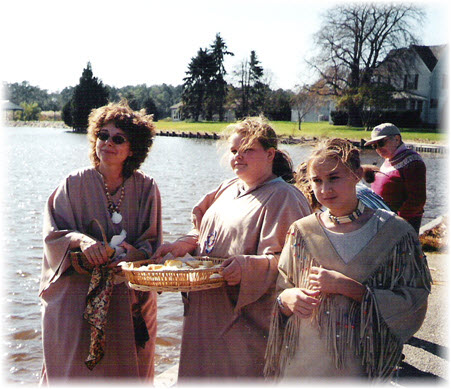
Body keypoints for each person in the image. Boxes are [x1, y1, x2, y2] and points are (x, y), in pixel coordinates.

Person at [153, 116, 312, 380]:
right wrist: (184, 244)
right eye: (234, 150)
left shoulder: (285, 197)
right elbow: (206, 231)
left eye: (248, 149)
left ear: (270, 153)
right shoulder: (228, 188)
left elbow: (294, 264)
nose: (238, 156)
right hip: (204, 313)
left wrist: (247, 267)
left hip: (244, 322)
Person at [265, 138, 431, 382]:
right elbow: (280, 291)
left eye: (334, 178)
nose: (324, 190)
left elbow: (415, 300)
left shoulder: (395, 232)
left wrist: (353, 290)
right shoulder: (300, 231)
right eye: (316, 181)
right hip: (302, 362)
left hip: (360, 365)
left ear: (356, 174)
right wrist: (286, 299)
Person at [39, 101, 162, 383]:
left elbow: (152, 245)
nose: (108, 143)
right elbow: (52, 236)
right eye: (103, 135)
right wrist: (81, 241)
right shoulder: (73, 183)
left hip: (127, 297)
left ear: (133, 148)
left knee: (127, 372)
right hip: (76, 296)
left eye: (119, 138)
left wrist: (135, 253)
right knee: (72, 373)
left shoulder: (147, 188)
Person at [364, 123, 426, 233]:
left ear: (397, 139)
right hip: (383, 223)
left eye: (381, 143)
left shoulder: (412, 162)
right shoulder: (390, 158)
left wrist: (395, 222)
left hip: (400, 227)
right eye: (374, 146)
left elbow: (417, 201)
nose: (378, 149)